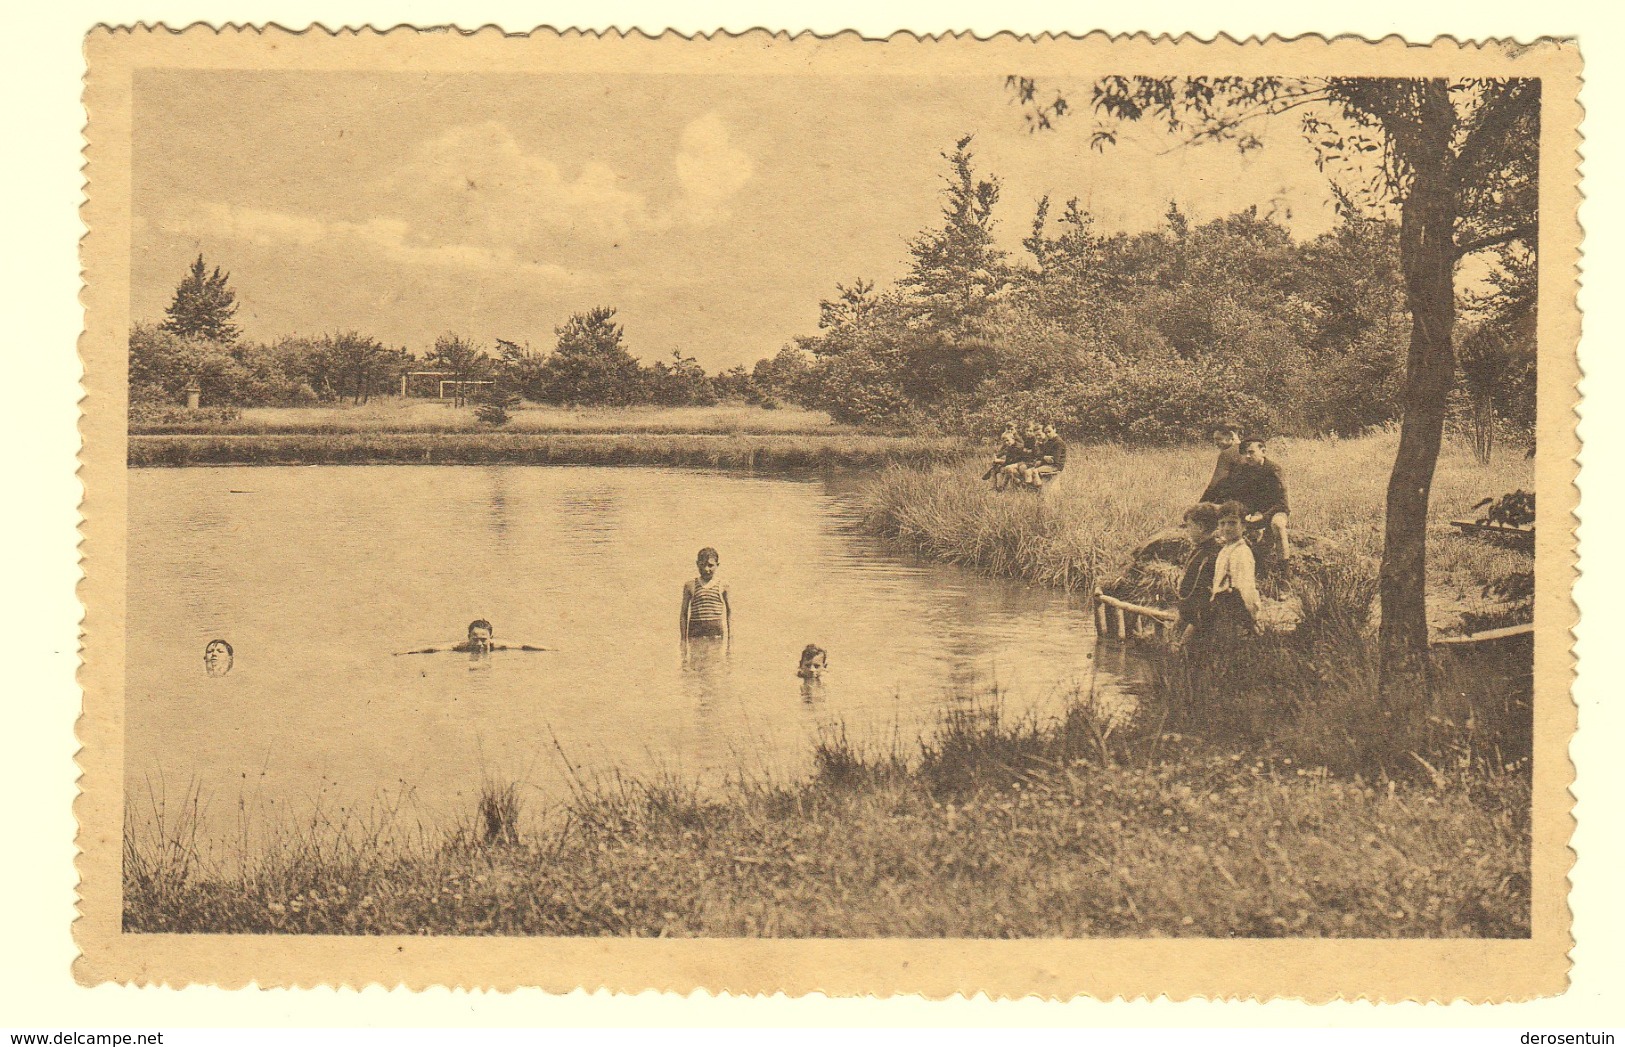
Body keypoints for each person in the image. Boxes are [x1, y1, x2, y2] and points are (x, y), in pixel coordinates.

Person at [1226, 437, 1292, 560]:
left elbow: (1282, 503)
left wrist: (1263, 516)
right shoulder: (1243, 470)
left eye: (1251, 452)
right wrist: (1245, 513)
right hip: (1254, 513)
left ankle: (1284, 569)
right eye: (1245, 453)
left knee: (1277, 525)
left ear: (1263, 452)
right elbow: (1240, 496)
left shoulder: (1274, 470)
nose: (1247, 456)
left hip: (1275, 511)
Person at [1171, 503, 1223, 648]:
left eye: (1189, 526)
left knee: (1183, 650)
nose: (1187, 530)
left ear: (1200, 527)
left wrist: (1192, 622)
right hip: (1187, 613)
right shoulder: (1200, 550)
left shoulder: (1212, 554)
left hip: (1198, 617)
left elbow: (1204, 594)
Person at [1209, 502, 1261, 639]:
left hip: (1235, 612)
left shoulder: (1241, 553)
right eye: (1222, 523)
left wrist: (1249, 620)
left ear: (1243, 526)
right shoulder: (1225, 550)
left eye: (1232, 523)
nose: (1226, 528)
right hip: (1222, 609)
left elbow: (1245, 589)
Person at [395, 619, 551, 656]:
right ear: (468, 637)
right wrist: (406, 652)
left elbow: (523, 646)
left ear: (491, 638)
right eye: (475, 638)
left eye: (483, 639)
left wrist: (549, 649)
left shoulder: (497, 645)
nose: (479, 643)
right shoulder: (461, 646)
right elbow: (433, 648)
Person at [680, 547, 731, 642]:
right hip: (695, 634)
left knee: (716, 656)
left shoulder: (723, 585)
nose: (706, 569)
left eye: (710, 565)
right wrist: (683, 640)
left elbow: (729, 612)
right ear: (697, 564)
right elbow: (683, 613)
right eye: (702, 565)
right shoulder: (690, 585)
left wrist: (730, 637)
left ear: (717, 565)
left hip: (716, 634)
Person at [1198, 424, 1245, 504]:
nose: (1215, 443)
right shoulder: (1249, 450)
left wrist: (1201, 503)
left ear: (1231, 435)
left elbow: (1215, 483)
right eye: (1214, 440)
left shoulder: (1227, 454)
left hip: (1232, 502)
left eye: (1219, 439)